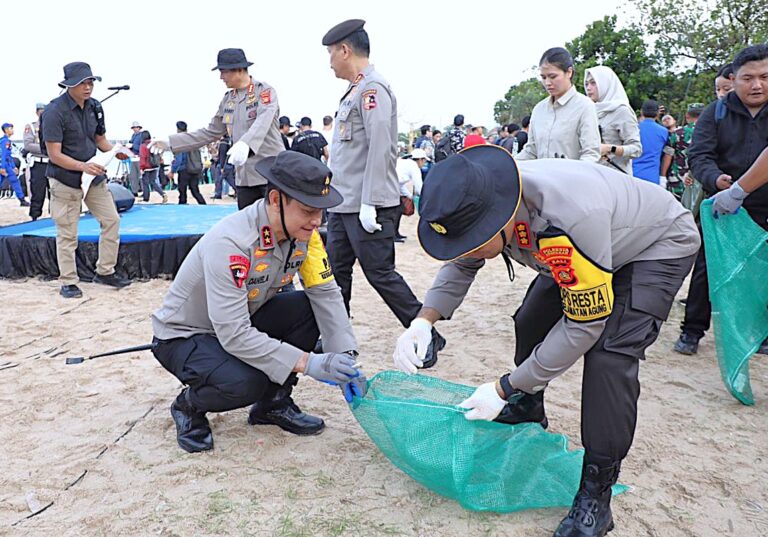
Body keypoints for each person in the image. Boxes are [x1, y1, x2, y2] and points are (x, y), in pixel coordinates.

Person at [393, 145, 699, 537]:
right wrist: (424, 320)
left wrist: (505, 386)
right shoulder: (487, 204)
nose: (465, 252)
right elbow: (463, 261)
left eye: (470, 241)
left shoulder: (562, 219)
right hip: (592, 246)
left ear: (497, 219)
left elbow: (583, 326)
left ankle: (596, 494)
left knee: (609, 356)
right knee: (531, 319)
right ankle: (529, 405)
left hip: (653, 246)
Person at [151, 151, 365, 452]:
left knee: (308, 308)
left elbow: (326, 293)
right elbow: (234, 334)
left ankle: (273, 404)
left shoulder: (303, 232)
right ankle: (188, 406)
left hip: (240, 320)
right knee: (245, 384)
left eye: (321, 211)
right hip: (185, 335)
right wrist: (308, 362)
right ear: (276, 200)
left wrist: (345, 359)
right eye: (307, 210)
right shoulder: (232, 243)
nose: (317, 220)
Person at [322, 18, 445, 363]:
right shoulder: (354, 91)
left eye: (332, 53)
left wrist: (371, 202)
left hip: (367, 203)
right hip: (344, 203)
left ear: (345, 50)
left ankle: (427, 333)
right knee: (336, 272)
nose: (330, 61)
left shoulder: (373, 89)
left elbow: (380, 146)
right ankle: (337, 336)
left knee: (380, 273)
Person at [674, 44, 768, 356]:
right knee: (706, 268)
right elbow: (699, 154)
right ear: (734, 78)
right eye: (748, 78)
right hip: (723, 206)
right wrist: (715, 179)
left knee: (762, 270)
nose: (757, 85)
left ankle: (761, 333)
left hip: (764, 206)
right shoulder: (716, 112)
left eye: (765, 77)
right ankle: (692, 330)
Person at [150, 48, 284, 209]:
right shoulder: (229, 100)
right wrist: (171, 141)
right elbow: (210, 132)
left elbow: (263, 121)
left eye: (223, 71)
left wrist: (246, 144)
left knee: (275, 228)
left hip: (270, 176)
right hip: (244, 179)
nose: (221, 77)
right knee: (249, 228)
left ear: (239, 69)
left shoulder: (264, 92)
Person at [41, 61, 132, 298]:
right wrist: (83, 166)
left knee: (111, 220)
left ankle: (105, 271)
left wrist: (115, 150)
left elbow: (100, 139)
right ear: (69, 84)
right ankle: (68, 281)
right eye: (83, 82)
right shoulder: (54, 112)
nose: (88, 86)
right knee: (67, 231)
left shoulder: (95, 107)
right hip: (64, 178)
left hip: (93, 178)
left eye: (91, 81)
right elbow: (54, 154)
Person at [517, 48, 600, 162]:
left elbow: (591, 153)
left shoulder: (584, 106)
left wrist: (573, 176)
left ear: (569, 72)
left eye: (553, 76)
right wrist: (510, 165)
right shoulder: (539, 109)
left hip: (572, 178)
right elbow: (531, 150)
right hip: (541, 178)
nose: (547, 83)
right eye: (543, 77)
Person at [584, 65, 642, 175]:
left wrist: (610, 148)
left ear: (605, 84)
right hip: (592, 175)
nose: (588, 88)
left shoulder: (621, 111)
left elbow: (636, 149)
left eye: (593, 83)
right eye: (586, 84)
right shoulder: (589, 110)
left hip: (616, 178)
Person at [661, 103, 704, 199]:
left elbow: (668, 156)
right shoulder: (710, 133)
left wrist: (662, 176)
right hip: (700, 180)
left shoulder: (677, 134)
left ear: (687, 116)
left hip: (677, 180)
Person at [633, 100, 669, 185]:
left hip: (631, 173)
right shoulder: (664, 132)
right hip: (652, 176)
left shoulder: (634, 129)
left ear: (641, 112)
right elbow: (667, 154)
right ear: (657, 113)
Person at [170, 121, 207, 205]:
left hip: (184, 170)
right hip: (195, 169)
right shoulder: (192, 139)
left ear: (178, 129)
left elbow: (179, 159)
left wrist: (172, 170)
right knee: (195, 191)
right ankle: (204, 205)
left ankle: (182, 209)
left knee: (182, 192)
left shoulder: (179, 140)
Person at [394, 148, 426, 242]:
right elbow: (419, 186)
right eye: (424, 160)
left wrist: (409, 196)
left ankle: (395, 233)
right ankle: (393, 235)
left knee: (398, 210)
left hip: (392, 186)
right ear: (420, 159)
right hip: (390, 187)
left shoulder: (405, 162)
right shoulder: (413, 166)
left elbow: (400, 184)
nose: (424, 163)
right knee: (397, 210)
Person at [24, 103, 49, 219]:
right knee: (37, 192)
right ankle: (34, 217)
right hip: (39, 163)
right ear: (37, 112)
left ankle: (54, 217)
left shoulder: (55, 126)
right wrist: (49, 149)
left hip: (54, 163)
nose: (43, 113)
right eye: (40, 111)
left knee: (56, 193)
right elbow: (28, 145)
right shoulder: (32, 126)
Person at [0, 123, 29, 206]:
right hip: (4, 164)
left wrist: (14, 167)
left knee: (15, 181)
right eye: (10, 128)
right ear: (6, 130)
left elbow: (9, 156)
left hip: (7, 164)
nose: (12, 130)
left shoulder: (6, 140)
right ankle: (22, 200)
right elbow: (3, 155)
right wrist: (2, 167)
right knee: (14, 181)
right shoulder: (5, 141)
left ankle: (22, 199)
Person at [139, 131, 167, 203]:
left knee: (145, 183)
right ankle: (163, 194)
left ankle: (146, 199)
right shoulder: (154, 144)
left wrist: (141, 168)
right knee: (153, 182)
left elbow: (143, 157)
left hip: (146, 167)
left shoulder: (143, 146)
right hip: (154, 165)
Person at [126, 121, 143, 196]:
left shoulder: (141, 136)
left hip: (139, 158)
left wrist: (132, 146)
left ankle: (144, 191)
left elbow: (141, 147)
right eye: (134, 128)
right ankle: (134, 191)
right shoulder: (133, 136)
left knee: (141, 176)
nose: (135, 129)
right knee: (133, 176)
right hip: (133, 158)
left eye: (136, 127)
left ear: (139, 128)